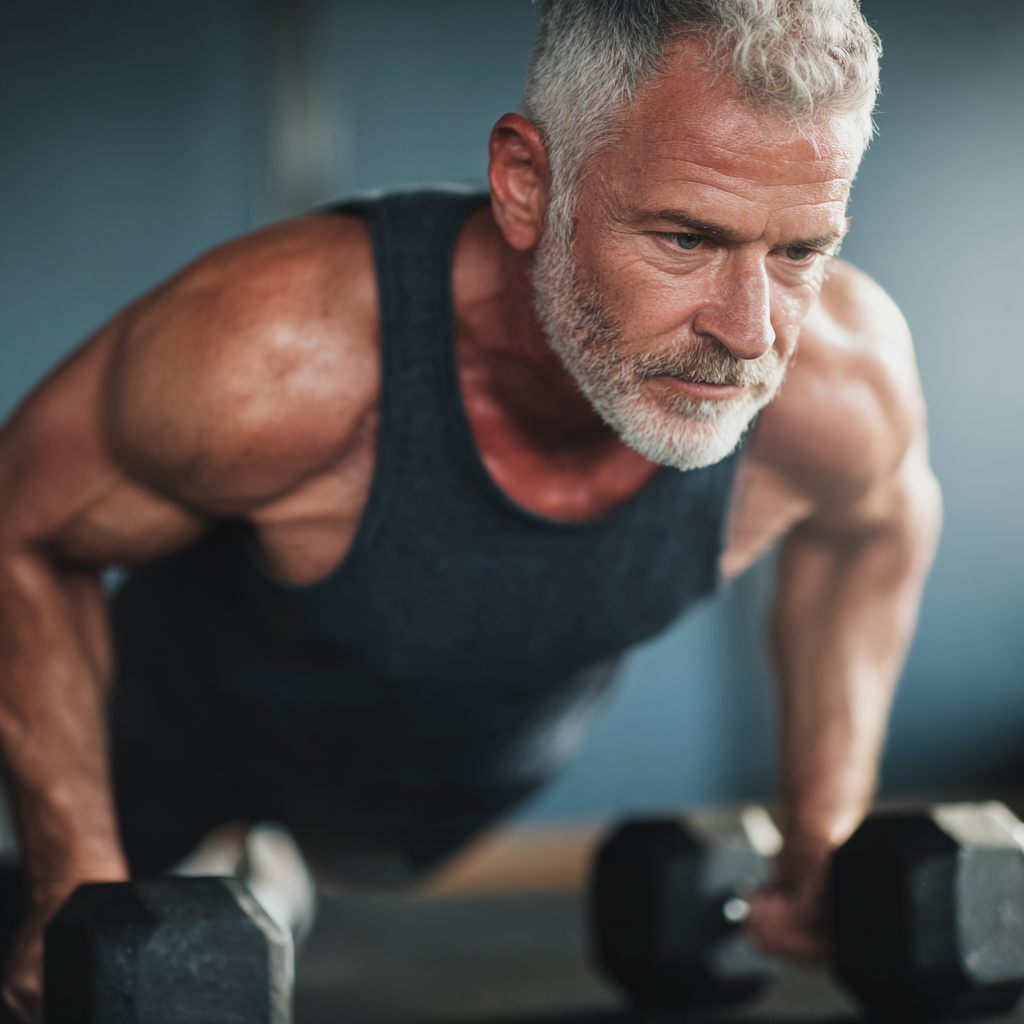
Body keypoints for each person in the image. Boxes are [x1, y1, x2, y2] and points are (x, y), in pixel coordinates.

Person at [0, 0, 941, 1019]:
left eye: (800, 251)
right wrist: (73, 877)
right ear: (526, 183)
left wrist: (821, 830)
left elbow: (876, 535)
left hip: (428, 825)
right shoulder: (277, 357)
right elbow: (22, 531)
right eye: (684, 237)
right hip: (168, 788)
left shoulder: (840, 383)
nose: (750, 332)